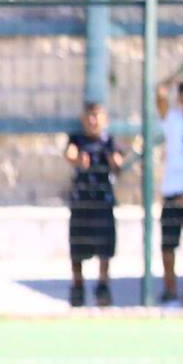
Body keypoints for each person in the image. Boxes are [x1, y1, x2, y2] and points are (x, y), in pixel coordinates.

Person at [63, 101, 125, 308]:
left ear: (104, 119)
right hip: (81, 202)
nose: (92, 120)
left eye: (96, 116)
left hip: (103, 202)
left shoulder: (109, 142)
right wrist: (78, 160)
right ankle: (78, 286)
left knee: (105, 248)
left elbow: (119, 163)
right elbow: (70, 154)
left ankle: (102, 286)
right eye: (89, 116)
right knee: (77, 248)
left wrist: (113, 160)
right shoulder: (77, 139)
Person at [159, 79, 183, 304]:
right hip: (173, 193)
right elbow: (160, 95)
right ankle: (170, 289)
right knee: (168, 245)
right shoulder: (173, 120)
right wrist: (172, 80)